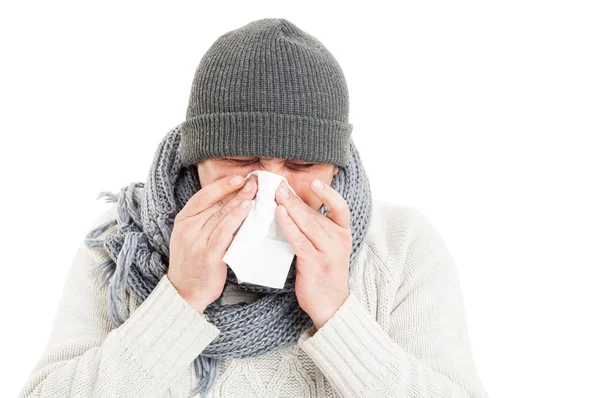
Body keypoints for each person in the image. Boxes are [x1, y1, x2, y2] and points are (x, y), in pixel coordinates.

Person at [18, 17, 489, 398]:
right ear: (196, 157)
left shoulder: (402, 245)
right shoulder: (125, 241)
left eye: (302, 163)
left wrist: (337, 310)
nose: (272, 187)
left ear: (335, 167)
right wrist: (179, 299)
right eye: (241, 160)